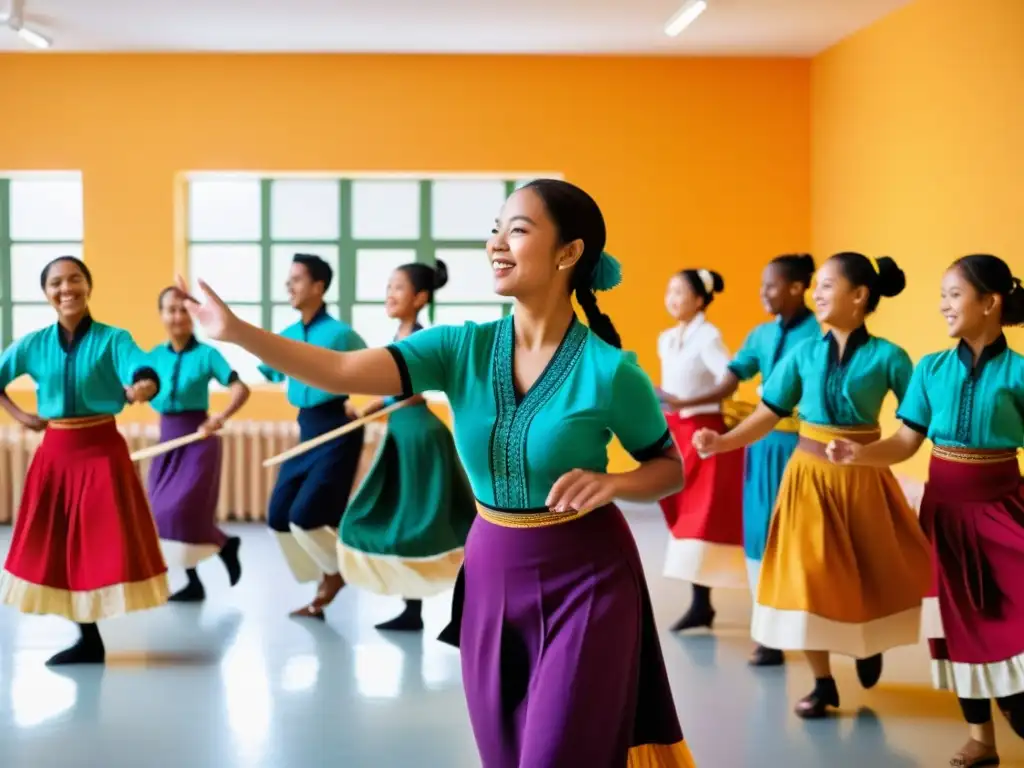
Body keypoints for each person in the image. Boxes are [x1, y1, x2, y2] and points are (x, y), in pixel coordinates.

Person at [179, 179, 696, 767]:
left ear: (569, 253)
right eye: (494, 229)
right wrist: (239, 332)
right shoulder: (457, 348)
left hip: (589, 581)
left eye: (518, 230)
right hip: (492, 577)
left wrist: (615, 483)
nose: (497, 244)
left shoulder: (611, 371)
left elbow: (668, 468)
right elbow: (344, 368)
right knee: (505, 755)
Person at [693, 252, 931, 719]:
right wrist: (721, 442)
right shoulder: (803, 354)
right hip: (806, 479)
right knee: (808, 578)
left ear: (859, 296)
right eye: (816, 286)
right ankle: (823, 683)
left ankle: (866, 644)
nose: (817, 294)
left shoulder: (892, 357)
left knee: (867, 571)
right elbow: (767, 414)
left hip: (864, 480)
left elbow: (915, 426)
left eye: (826, 286)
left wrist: (878, 452)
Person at [826, 254, 1024, 768]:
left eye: (953, 294)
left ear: (990, 302)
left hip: (1005, 509)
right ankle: (981, 740)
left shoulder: (1020, 372)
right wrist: (860, 454)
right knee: (954, 627)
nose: (943, 305)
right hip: (944, 517)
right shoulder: (930, 368)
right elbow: (906, 441)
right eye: (942, 295)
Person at [0, 256, 168, 665]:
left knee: (97, 539)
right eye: (56, 282)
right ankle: (88, 638)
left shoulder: (114, 338)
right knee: (58, 542)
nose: (66, 288)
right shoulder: (33, 344)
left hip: (102, 451)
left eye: (75, 279)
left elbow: (140, 367)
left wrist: (144, 384)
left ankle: (93, 628)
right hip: (56, 453)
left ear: (89, 286)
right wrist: (22, 417)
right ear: (46, 293)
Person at [676, 253, 819, 666]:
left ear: (796, 287)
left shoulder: (817, 340)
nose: (764, 294)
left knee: (800, 540)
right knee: (758, 539)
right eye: (762, 286)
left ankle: (816, 627)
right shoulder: (760, 335)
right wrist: (687, 400)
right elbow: (729, 379)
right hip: (760, 446)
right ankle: (770, 633)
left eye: (771, 286)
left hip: (801, 449)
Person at [338, 260, 477, 632]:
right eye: (388, 287)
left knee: (432, 527)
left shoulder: (419, 338)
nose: (389, 294)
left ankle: (465, 610)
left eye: (398, 288)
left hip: (419, 438)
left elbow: (410, 393)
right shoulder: (400, 337)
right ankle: (413, 610)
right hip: (402, 435)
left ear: (420, 297)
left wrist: (372, 406)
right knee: (412, 525)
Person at [258, 253, 367, 619]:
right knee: (277, 515)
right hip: (307, 429)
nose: (289, 286)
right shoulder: (287, 336)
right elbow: (270, 372)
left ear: (319, 287)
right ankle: (325, 573)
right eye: (288, 279)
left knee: (306, 514)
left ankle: (337, 574)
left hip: (337, 429)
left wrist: (358, 405)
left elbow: (376, 367)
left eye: (297, 279)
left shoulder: (340, 334)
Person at [655, 268, 746, 633]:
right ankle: (701, 604)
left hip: (704, 434)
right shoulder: (667, 338)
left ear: (699, 299)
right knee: (682, 512)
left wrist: (685, 399)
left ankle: (701, 603)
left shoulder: (709, 337)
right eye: (669, 291)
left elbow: (729, 380)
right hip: (676, 433)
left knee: (702, 517)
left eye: (680, 292)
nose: (672, 298)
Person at [147, 286, 250, 602]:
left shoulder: (208, 354)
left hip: (199, 439)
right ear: (161, 315)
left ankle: (219, 546)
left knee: (182, 511)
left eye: (183, 309)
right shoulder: (151, 357)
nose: (177, 316)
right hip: (167, 440)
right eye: (170, 310)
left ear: (192, 314)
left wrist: (220, 417)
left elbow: (240, 389)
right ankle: (199, 573)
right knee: (160, 514)